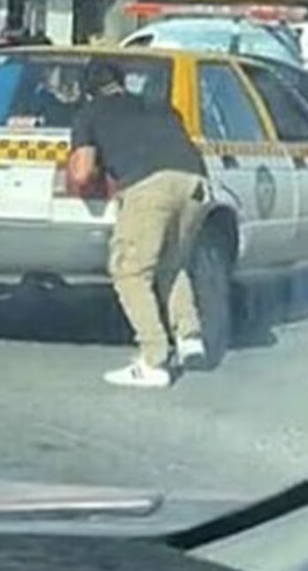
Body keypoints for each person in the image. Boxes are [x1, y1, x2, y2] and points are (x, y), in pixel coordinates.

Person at [68, 58, 211, 389]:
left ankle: (153, 360)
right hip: (195, 183)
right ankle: (189, 337)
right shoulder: (161, 107)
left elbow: (82, 172)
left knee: (130, 271)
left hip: (148, 188)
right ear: (122, 82)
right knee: (171, 263)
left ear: (87, 90)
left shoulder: (91, 113)